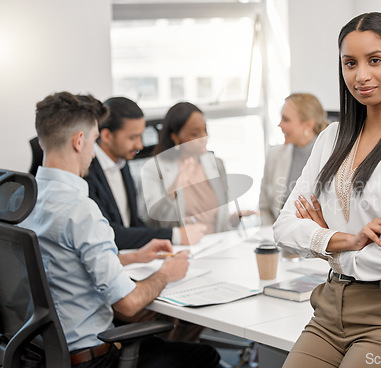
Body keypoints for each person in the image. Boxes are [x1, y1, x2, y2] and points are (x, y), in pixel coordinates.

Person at [274, 13, 381, 368]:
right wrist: (350, 239)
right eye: (350, 63)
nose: (361, 75)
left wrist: (324, 241)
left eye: (375, 60)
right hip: (328, 309)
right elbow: (284, 229)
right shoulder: (330, 138)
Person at [20, 91, 220, 367]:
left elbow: (59, 261)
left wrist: (131, 257)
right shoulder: (80, 209)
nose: (93, 151)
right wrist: (166, 273)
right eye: (92, 141)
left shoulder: (23, 199)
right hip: (91, 358)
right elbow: (127, 303)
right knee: (204, 356)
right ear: (80, 141)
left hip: (40, 353)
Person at [84, 97, 206, 249]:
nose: (139, 145)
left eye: (141, 135)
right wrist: (175, 235)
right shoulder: (86, 170)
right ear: (107, 136)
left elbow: (134, 223)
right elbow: (108, 233)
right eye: (133, 137)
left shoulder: (122, 163)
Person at [140, 102, 252, 235]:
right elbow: (152, 222)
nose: (203, 138)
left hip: (217, 244)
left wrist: (235, 218)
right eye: (195, 134)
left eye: (205, 130)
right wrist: (176, 184)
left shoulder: (216, 164)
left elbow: (219, 222)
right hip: (182, 247)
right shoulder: (154, 169)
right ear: (175, 137)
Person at [259, 93, 329, 226]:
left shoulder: (331, 157)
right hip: (279, 240)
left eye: (286, 119)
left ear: (308, 125)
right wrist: (270, 238)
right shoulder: (274, 156)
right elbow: (265, 207)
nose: (280, 125)